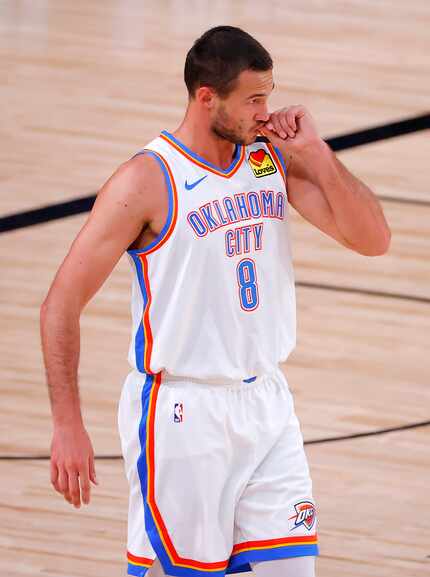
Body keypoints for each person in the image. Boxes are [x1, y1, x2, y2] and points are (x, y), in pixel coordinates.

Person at [40, 25, 391, 577]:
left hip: (267, 403)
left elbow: (373, 240)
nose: (265, 111)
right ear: (208, 98)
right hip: (183, 415)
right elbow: (60, 304)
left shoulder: (269, 160)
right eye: (254, 99)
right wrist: (67, 424)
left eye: (268, 96)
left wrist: (316, 153)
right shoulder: (145, 181)